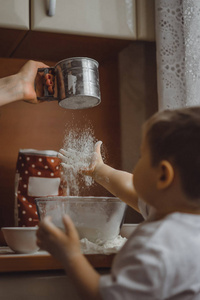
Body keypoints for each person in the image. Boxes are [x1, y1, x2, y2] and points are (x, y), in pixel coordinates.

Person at [36, 106, 200, 300]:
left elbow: (103, 297)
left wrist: (70, 255)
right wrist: (99, 170)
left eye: (141, 157)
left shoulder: (156, 245)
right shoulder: (183, 220)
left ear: (163, 175)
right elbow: (129, 188)